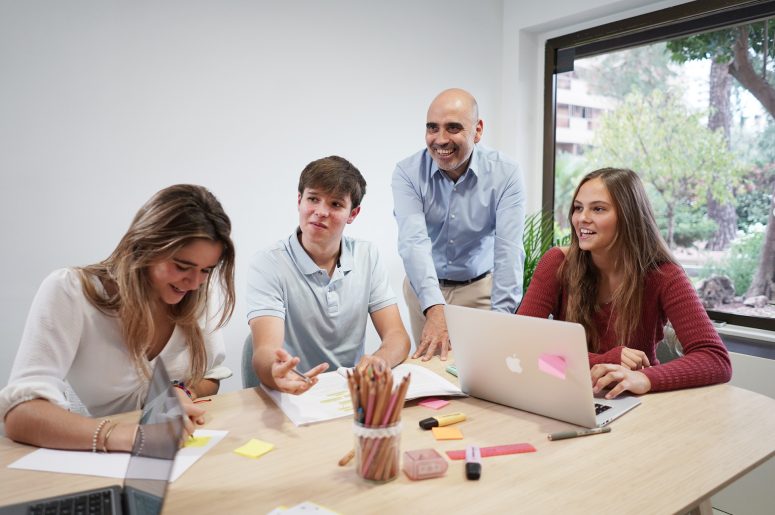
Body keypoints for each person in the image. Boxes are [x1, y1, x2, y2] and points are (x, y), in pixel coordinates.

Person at [0, 184, 235, 451]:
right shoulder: (70, 291)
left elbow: (210, 376)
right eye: (182, 266)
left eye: (206, 270)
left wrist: (179, 394)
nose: (194, 282)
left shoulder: (197, 292)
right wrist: (125, 435)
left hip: (171, 452)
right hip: (97, 455)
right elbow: (19, 415)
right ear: (145, 245)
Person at [517, 168, 732, 398]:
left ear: (629, 216)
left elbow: (715, 358)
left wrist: (645, 377)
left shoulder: (665, 275)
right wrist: (603, 361)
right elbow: (519, 344)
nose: (582, 218)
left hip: (635, 403)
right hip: (568, 396)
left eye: (598, 209)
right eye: (578, 208)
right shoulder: (557, 263)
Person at [247, 156, 410, 394]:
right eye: (313, 199)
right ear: (299, 200)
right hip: (293, 393)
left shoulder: (367, 255)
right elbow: (263, 352)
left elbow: (397, 336)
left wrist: (380, 360)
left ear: (353, 214)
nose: (321, 212)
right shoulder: (268, 263)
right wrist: (275, 372)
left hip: (350, 392)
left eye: (335, 204)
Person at [392, 88, 526, 361]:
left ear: (477, 130)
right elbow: (413, 243)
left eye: (453, 128)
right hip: (424, 290)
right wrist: (434, 308)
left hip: (478, 291)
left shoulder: (506, 173)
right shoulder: (407, 173)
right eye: (432, 128)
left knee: (482, 372)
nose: (440, 139)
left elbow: (508, 250)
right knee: (430, 371)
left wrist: (501, 322)